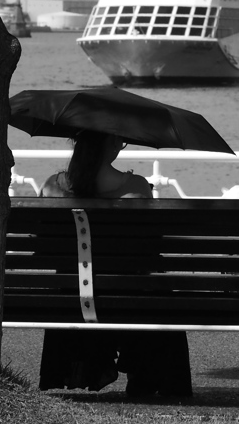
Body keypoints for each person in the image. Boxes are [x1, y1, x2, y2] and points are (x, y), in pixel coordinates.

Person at [37, 131, 192, 398]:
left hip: (70, 294)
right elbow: (152, 248)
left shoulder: (53, 186)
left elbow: (41, 244)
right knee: (153, 292)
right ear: (112, 145)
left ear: (77, 143)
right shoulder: (137, 188)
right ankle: (147, 375)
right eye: (121, 141)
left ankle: (75, 367)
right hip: (128, 294)